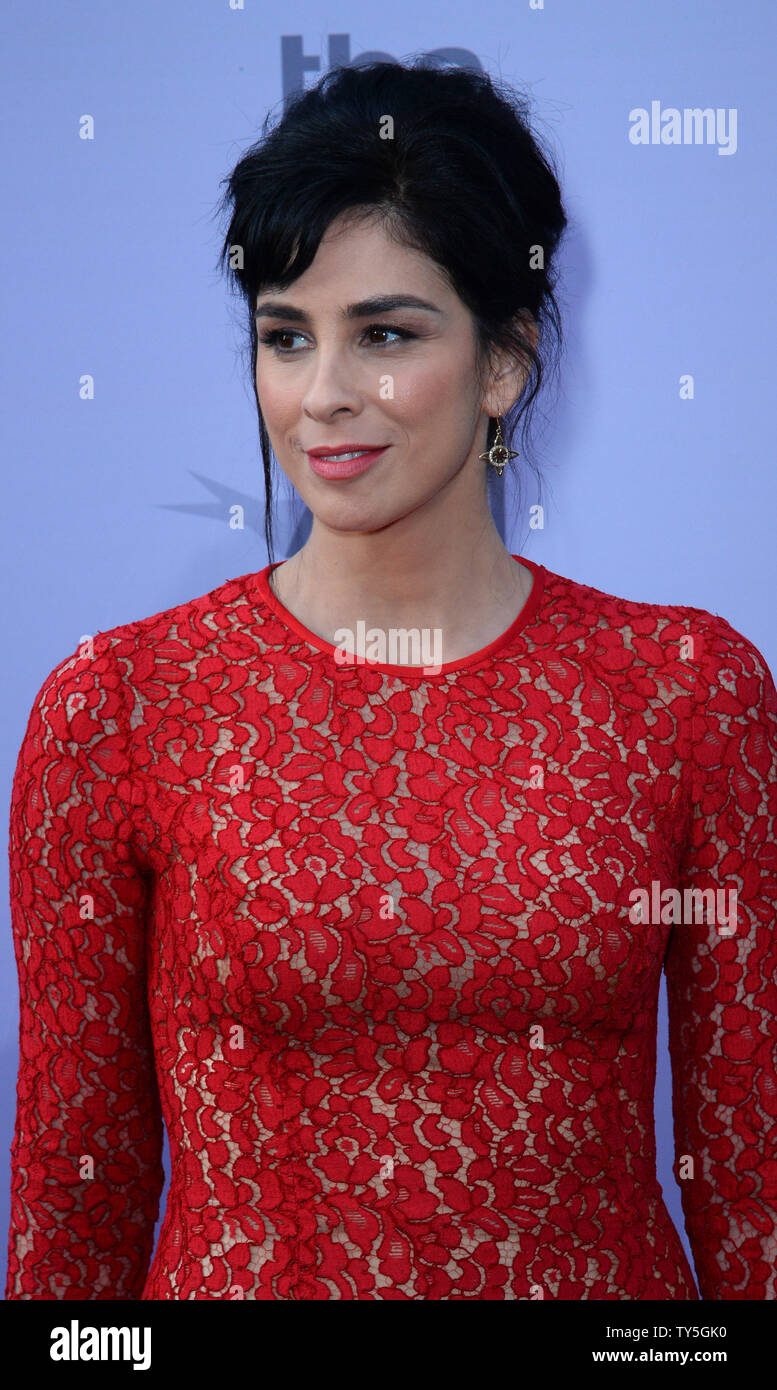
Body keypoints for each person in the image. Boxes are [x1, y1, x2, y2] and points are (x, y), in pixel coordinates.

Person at [5, 59, 776, 1302]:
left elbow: (752, 1169)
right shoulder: (119, 708)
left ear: (507, 359)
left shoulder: (688, 693)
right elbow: (76, 1192)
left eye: (386, 334)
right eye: (284, 337)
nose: (323, 397)